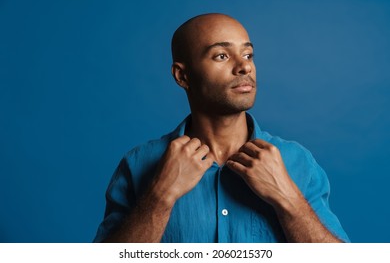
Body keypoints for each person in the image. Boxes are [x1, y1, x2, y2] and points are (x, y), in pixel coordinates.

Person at [93, 13, 349, 243]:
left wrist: (289, 200)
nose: (244, 66)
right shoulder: (140, 164)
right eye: (222, 56)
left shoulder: (297, 162)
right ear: (182, 76)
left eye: (248, 55)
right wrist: (160, 197)